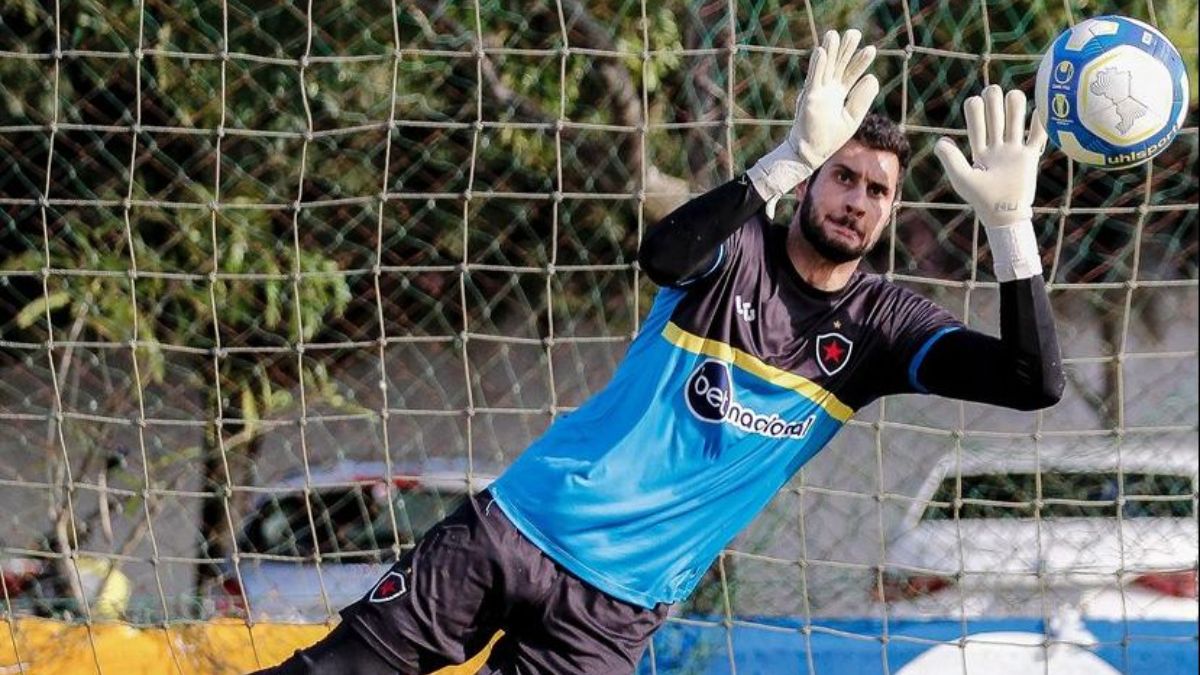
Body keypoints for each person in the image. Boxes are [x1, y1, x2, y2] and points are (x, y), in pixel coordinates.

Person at [253, 28, 1062, 675]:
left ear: (891, 211)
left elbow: (1033, 383)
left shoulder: (882, 325)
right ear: (816, 181)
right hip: (518, 529)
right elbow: (662, 256)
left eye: (876, 189)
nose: (856, 199)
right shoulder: (738, 244)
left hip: (615, 614)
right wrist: (782, 160)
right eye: (842, 175)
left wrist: (1009, 229)